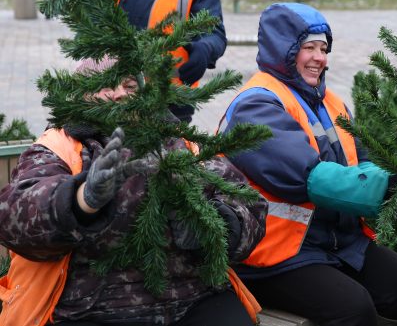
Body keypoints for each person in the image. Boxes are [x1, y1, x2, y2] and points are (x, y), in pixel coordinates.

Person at [0, 57, 267, 326]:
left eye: (129, 86)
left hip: (192, 297)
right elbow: (14, 217)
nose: (118, 94)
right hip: (91, 307)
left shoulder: (182, 143)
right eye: (105, 85)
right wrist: (82, 200)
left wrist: (214, 225)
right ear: (83, 93)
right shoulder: (60, 146)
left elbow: (248, 205)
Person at [217, 3, 397, 326]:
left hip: (332, 241)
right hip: (273, 252)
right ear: (283, 49)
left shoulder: (331, 103)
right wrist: (379, 187)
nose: (319, 58)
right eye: (308, 47)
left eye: (323, 48)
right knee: (353, 308)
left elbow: (361, 163)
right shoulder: (255, 105)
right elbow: (308, 176)